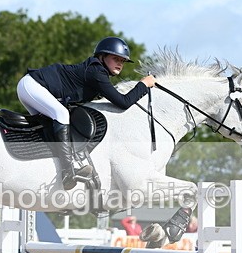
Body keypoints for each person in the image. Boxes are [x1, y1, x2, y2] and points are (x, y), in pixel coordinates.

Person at [17, 37, 157, 190]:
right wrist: (144, 84)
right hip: (32, 85)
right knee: (62, 115)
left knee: (50, 127)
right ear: (102, 57)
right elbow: (123, 102)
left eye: (122, 61)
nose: (120, 64)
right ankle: (68, 172)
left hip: (33, 87)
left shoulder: (97, 71)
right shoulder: (96, 72)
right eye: (115, 59)